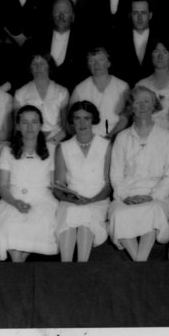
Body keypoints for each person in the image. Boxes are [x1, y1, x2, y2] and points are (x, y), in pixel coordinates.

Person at [107, 86, 169, 261]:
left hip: (156, 194)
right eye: (137, 102)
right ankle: (141, 264)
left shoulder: (165, 136)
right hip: (128, 194)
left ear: (154, 106)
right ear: (131, 107)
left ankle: (139, 264)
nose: (142, 106)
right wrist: (125, 197)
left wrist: (152, 196)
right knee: (117, 214)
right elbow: (116, 175)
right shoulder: (122, 138)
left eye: (146, 101)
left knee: (153, 211)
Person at [0, 105, 59, 262]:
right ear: (17, 126)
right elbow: (2, 186)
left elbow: (54, 184)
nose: (30, 127)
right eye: (24, 122)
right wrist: (15, 202)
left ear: (41, 125)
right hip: (12, 200)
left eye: (34, 122)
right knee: (10, 227)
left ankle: (18, 268)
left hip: (43, 201)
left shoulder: (52, 149)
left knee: (37, 226)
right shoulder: (7, 150)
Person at [53, 100, 112, 262]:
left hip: (98, 200)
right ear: (71, 121)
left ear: (93, 120)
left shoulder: (105, 145)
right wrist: (72, 199)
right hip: (71, 201)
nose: (82, 123)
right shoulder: (63, 147)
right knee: (72, 213)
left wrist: (91, 200)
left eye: (86, 118)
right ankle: (66, 267)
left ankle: (81, 267)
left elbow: (108, 184)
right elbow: (58, 187)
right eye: (77, 118)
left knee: (86, 216)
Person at [24, 0, 88, 89]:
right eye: (57, 12)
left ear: (73, 17)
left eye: (66, 12)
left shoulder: (84, 43)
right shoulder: (34, 42)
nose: (61, 16)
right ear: (51, 16)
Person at [69, 46, 130, 139]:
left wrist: (109, 137)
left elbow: (125, 119)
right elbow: (72, 121)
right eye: (92, 61)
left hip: (116, 137)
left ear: (109, 63)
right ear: (88, 65)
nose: (96, 64)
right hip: (88, 138)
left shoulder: (122, 87)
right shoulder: (79, 89)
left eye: (101, 59)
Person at [15, 51, 69, 143]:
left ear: (49, 66)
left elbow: (65, 128)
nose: (38, 67)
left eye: (42, 63)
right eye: (34, 64)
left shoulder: (62, 92)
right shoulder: (20, 93)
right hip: (30, 141)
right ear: (30, 68)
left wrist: (51, 142)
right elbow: (17, 128)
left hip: (56, 140)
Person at [112, 0, 157, 86]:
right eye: (135, 13)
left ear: (150, 15)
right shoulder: (118, 41)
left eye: (143, 13)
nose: (139, 17)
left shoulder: (161, 40)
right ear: (130, 15)